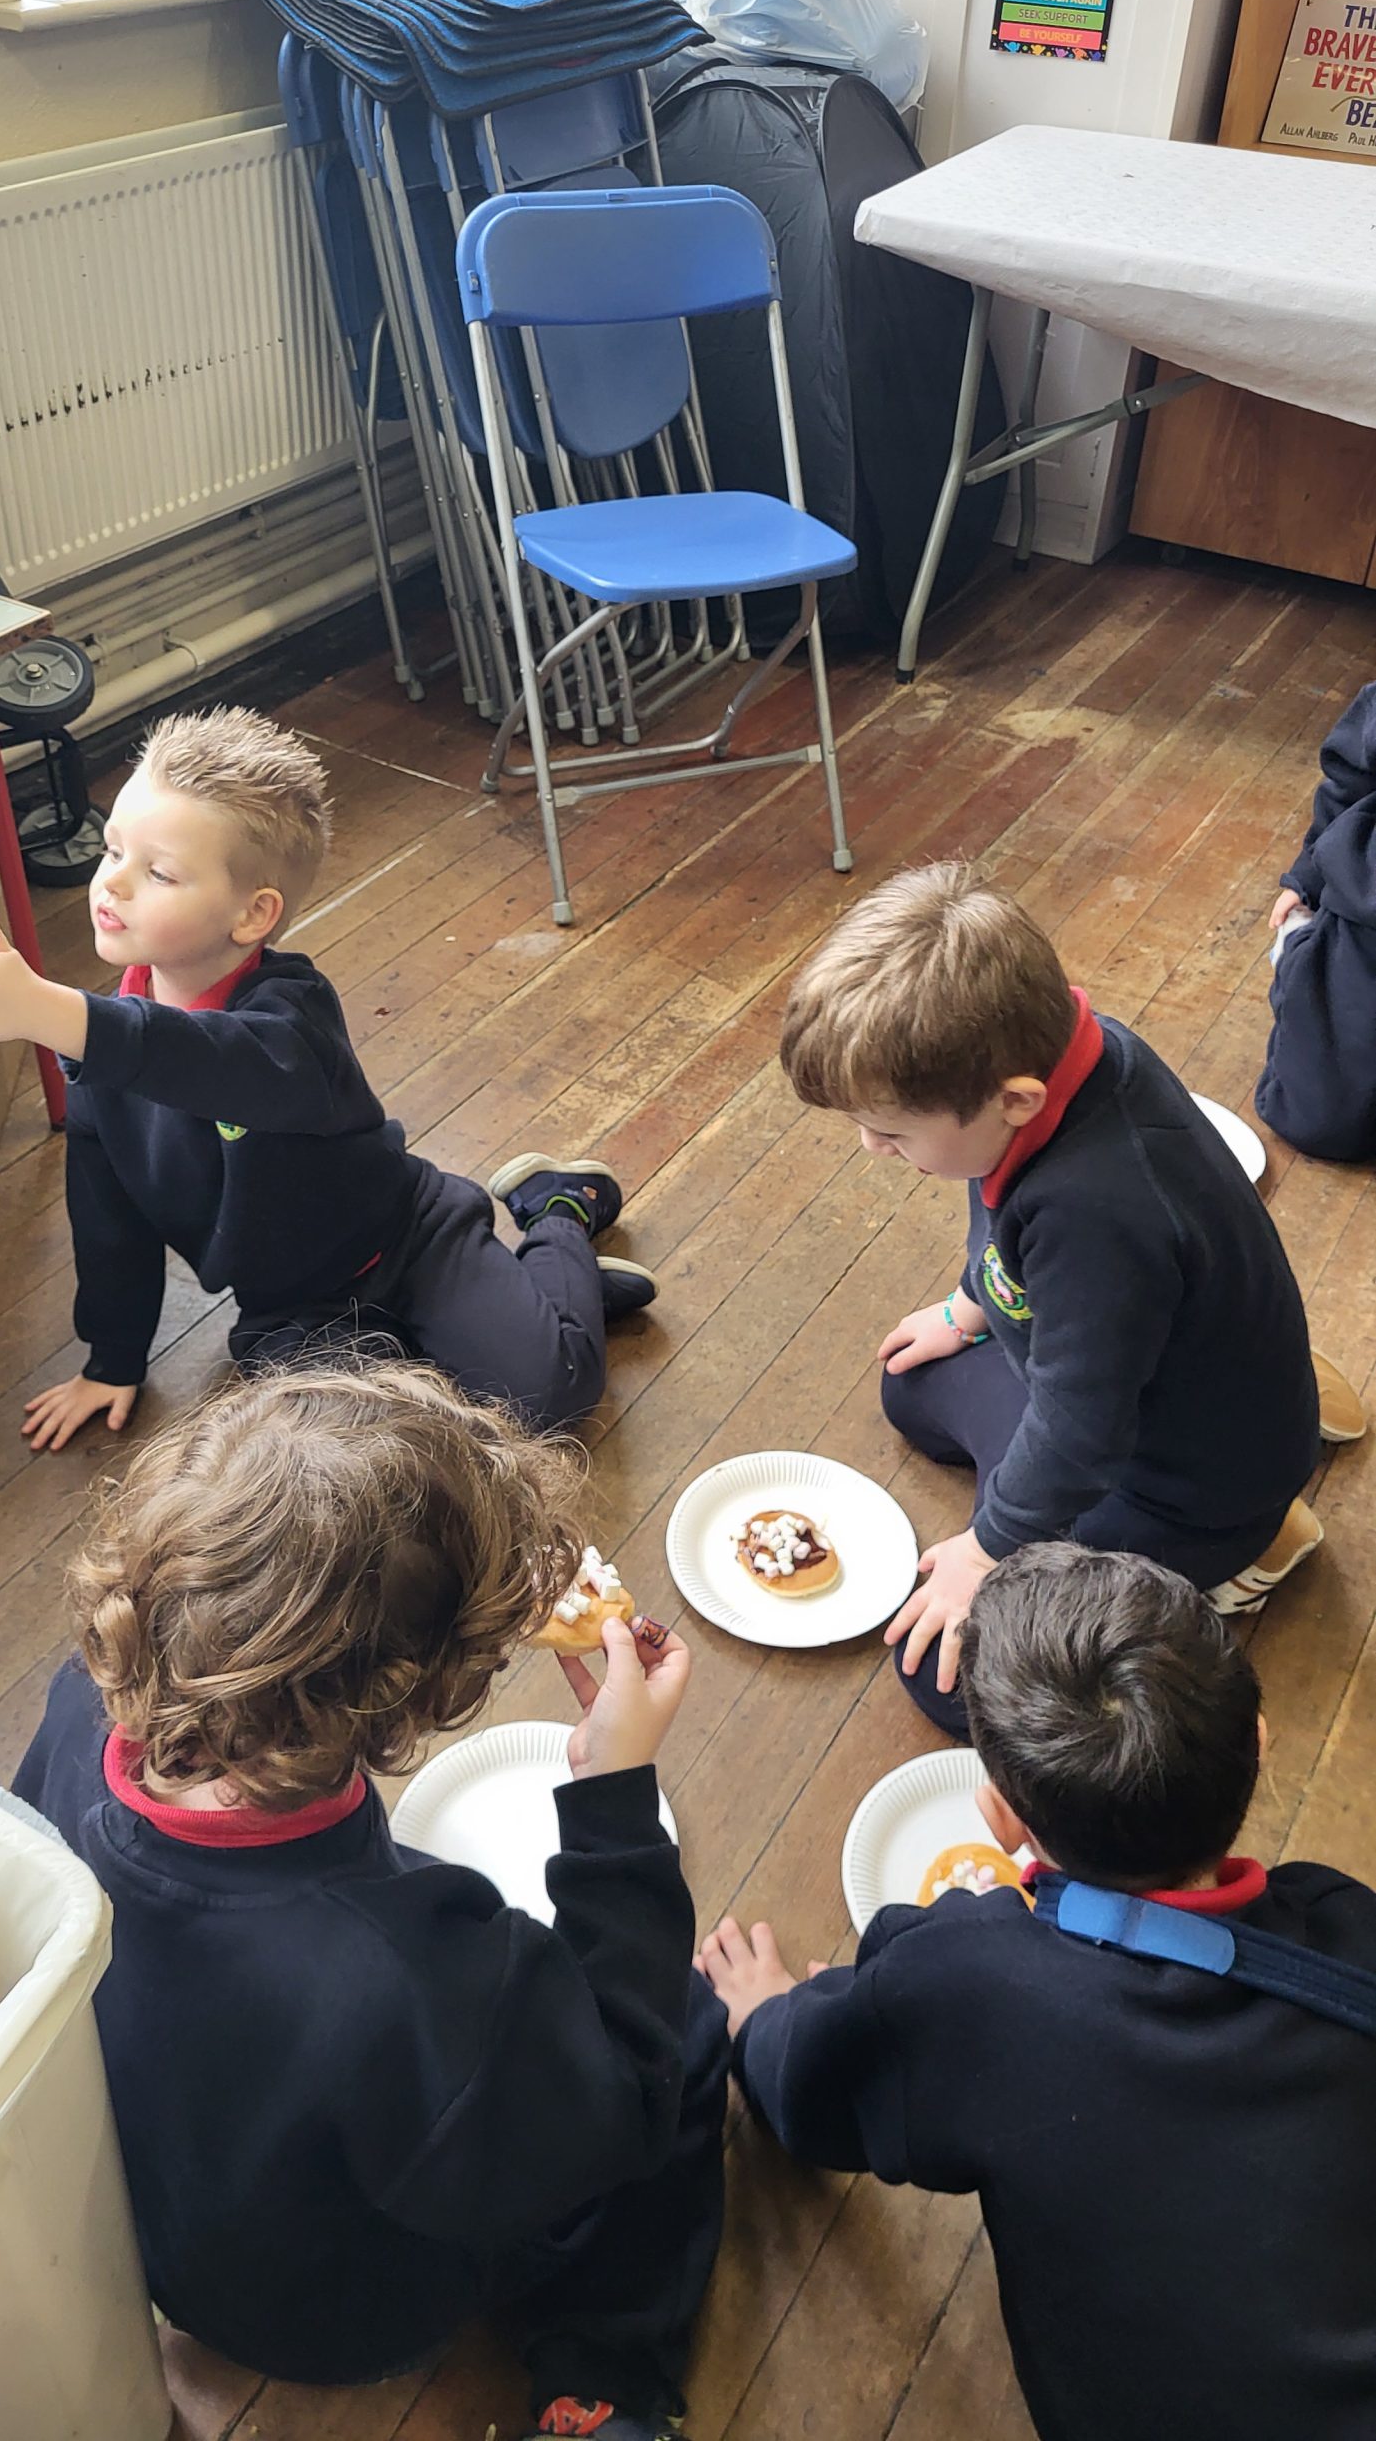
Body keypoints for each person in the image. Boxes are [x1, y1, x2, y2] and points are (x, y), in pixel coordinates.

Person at [13, 1360, 725, 2441]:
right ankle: (601, 2376)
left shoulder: (82, 1708)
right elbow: (620, 2099)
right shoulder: (413, 1973)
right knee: (691, 2032)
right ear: (413, 1695)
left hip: (160, 2243)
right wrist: (614, 1798)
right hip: (347, 2316)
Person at [699, 1544, 1376, 2441]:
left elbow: (815, 2100)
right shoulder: (1344, 1922)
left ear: (1001, 1817)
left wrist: (766, 2019)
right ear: (1256, 1740)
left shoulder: (971, 1982)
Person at [0, 707, 656, 1451]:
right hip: (292, 1308)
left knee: (550, 1398)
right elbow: (107, 1222)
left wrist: (55, 1012)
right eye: (112, 849)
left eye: (158, 872)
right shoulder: (96, 1057)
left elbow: (213, 1061)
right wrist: (112, 1360)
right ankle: (542, 1302)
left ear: (254, 915)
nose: (110, 881)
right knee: (355, 1455)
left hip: (412, 1243)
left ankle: (557, 1215)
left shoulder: (291, 1017)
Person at [779, 861, 1357, 1739]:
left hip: (1183, 1489)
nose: (870, 1147)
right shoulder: (1072, 1054)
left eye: (892, 1131)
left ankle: (1249, 1547)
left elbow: (1081, 1430)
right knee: (912, 1384)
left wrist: (987, 1548)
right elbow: (1001, 1217)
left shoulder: (1097, 1210)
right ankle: (1077, 1511)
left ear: (1016, 1100)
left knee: (942, 1674)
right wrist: (968, 1307)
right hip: (1134, 1394)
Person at [1256, 678, 1376, 1161]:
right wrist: (1307, 876)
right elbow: (1350, 784)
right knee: (1320, 1121)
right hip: (1363, 922)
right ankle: (1302, 950)